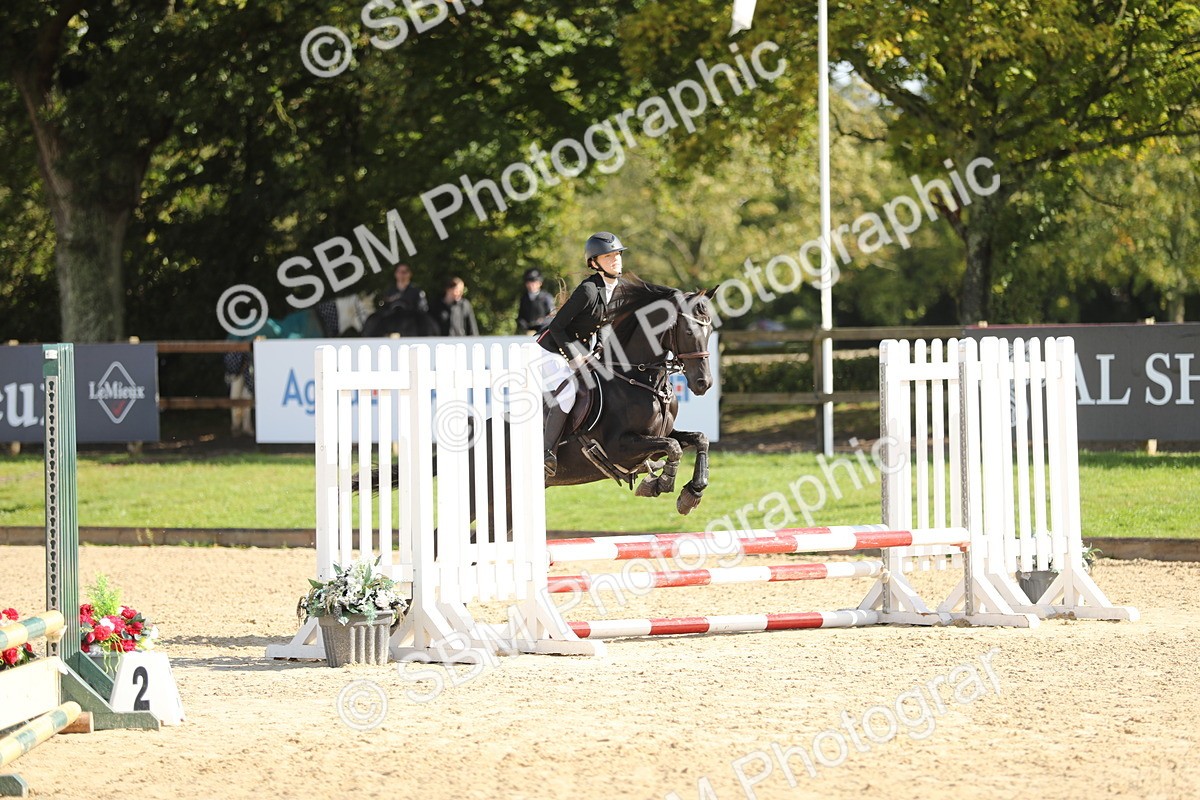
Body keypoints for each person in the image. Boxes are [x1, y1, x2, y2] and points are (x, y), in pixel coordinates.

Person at [536, 231, 626, 476]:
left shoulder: (620, 289)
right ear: (594, 263)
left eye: (617, 254)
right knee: (567, 394)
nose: (616, 259)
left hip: (580, 348)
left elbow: (606, 325)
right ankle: (546, 453)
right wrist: (573, 356)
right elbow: (556, 327)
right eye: (608, 256)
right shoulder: (587, 290)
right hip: (550, 350)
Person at [516, 268, 556, 334]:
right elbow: (521, 317)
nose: (531, 285)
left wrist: (542, 321)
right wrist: (525, 326)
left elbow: (552, 315)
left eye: (534, 282)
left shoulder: (546, 297)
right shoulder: (524, 298)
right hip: (528, 333)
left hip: (543, 332)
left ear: (540, 283)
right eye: (529, 282)